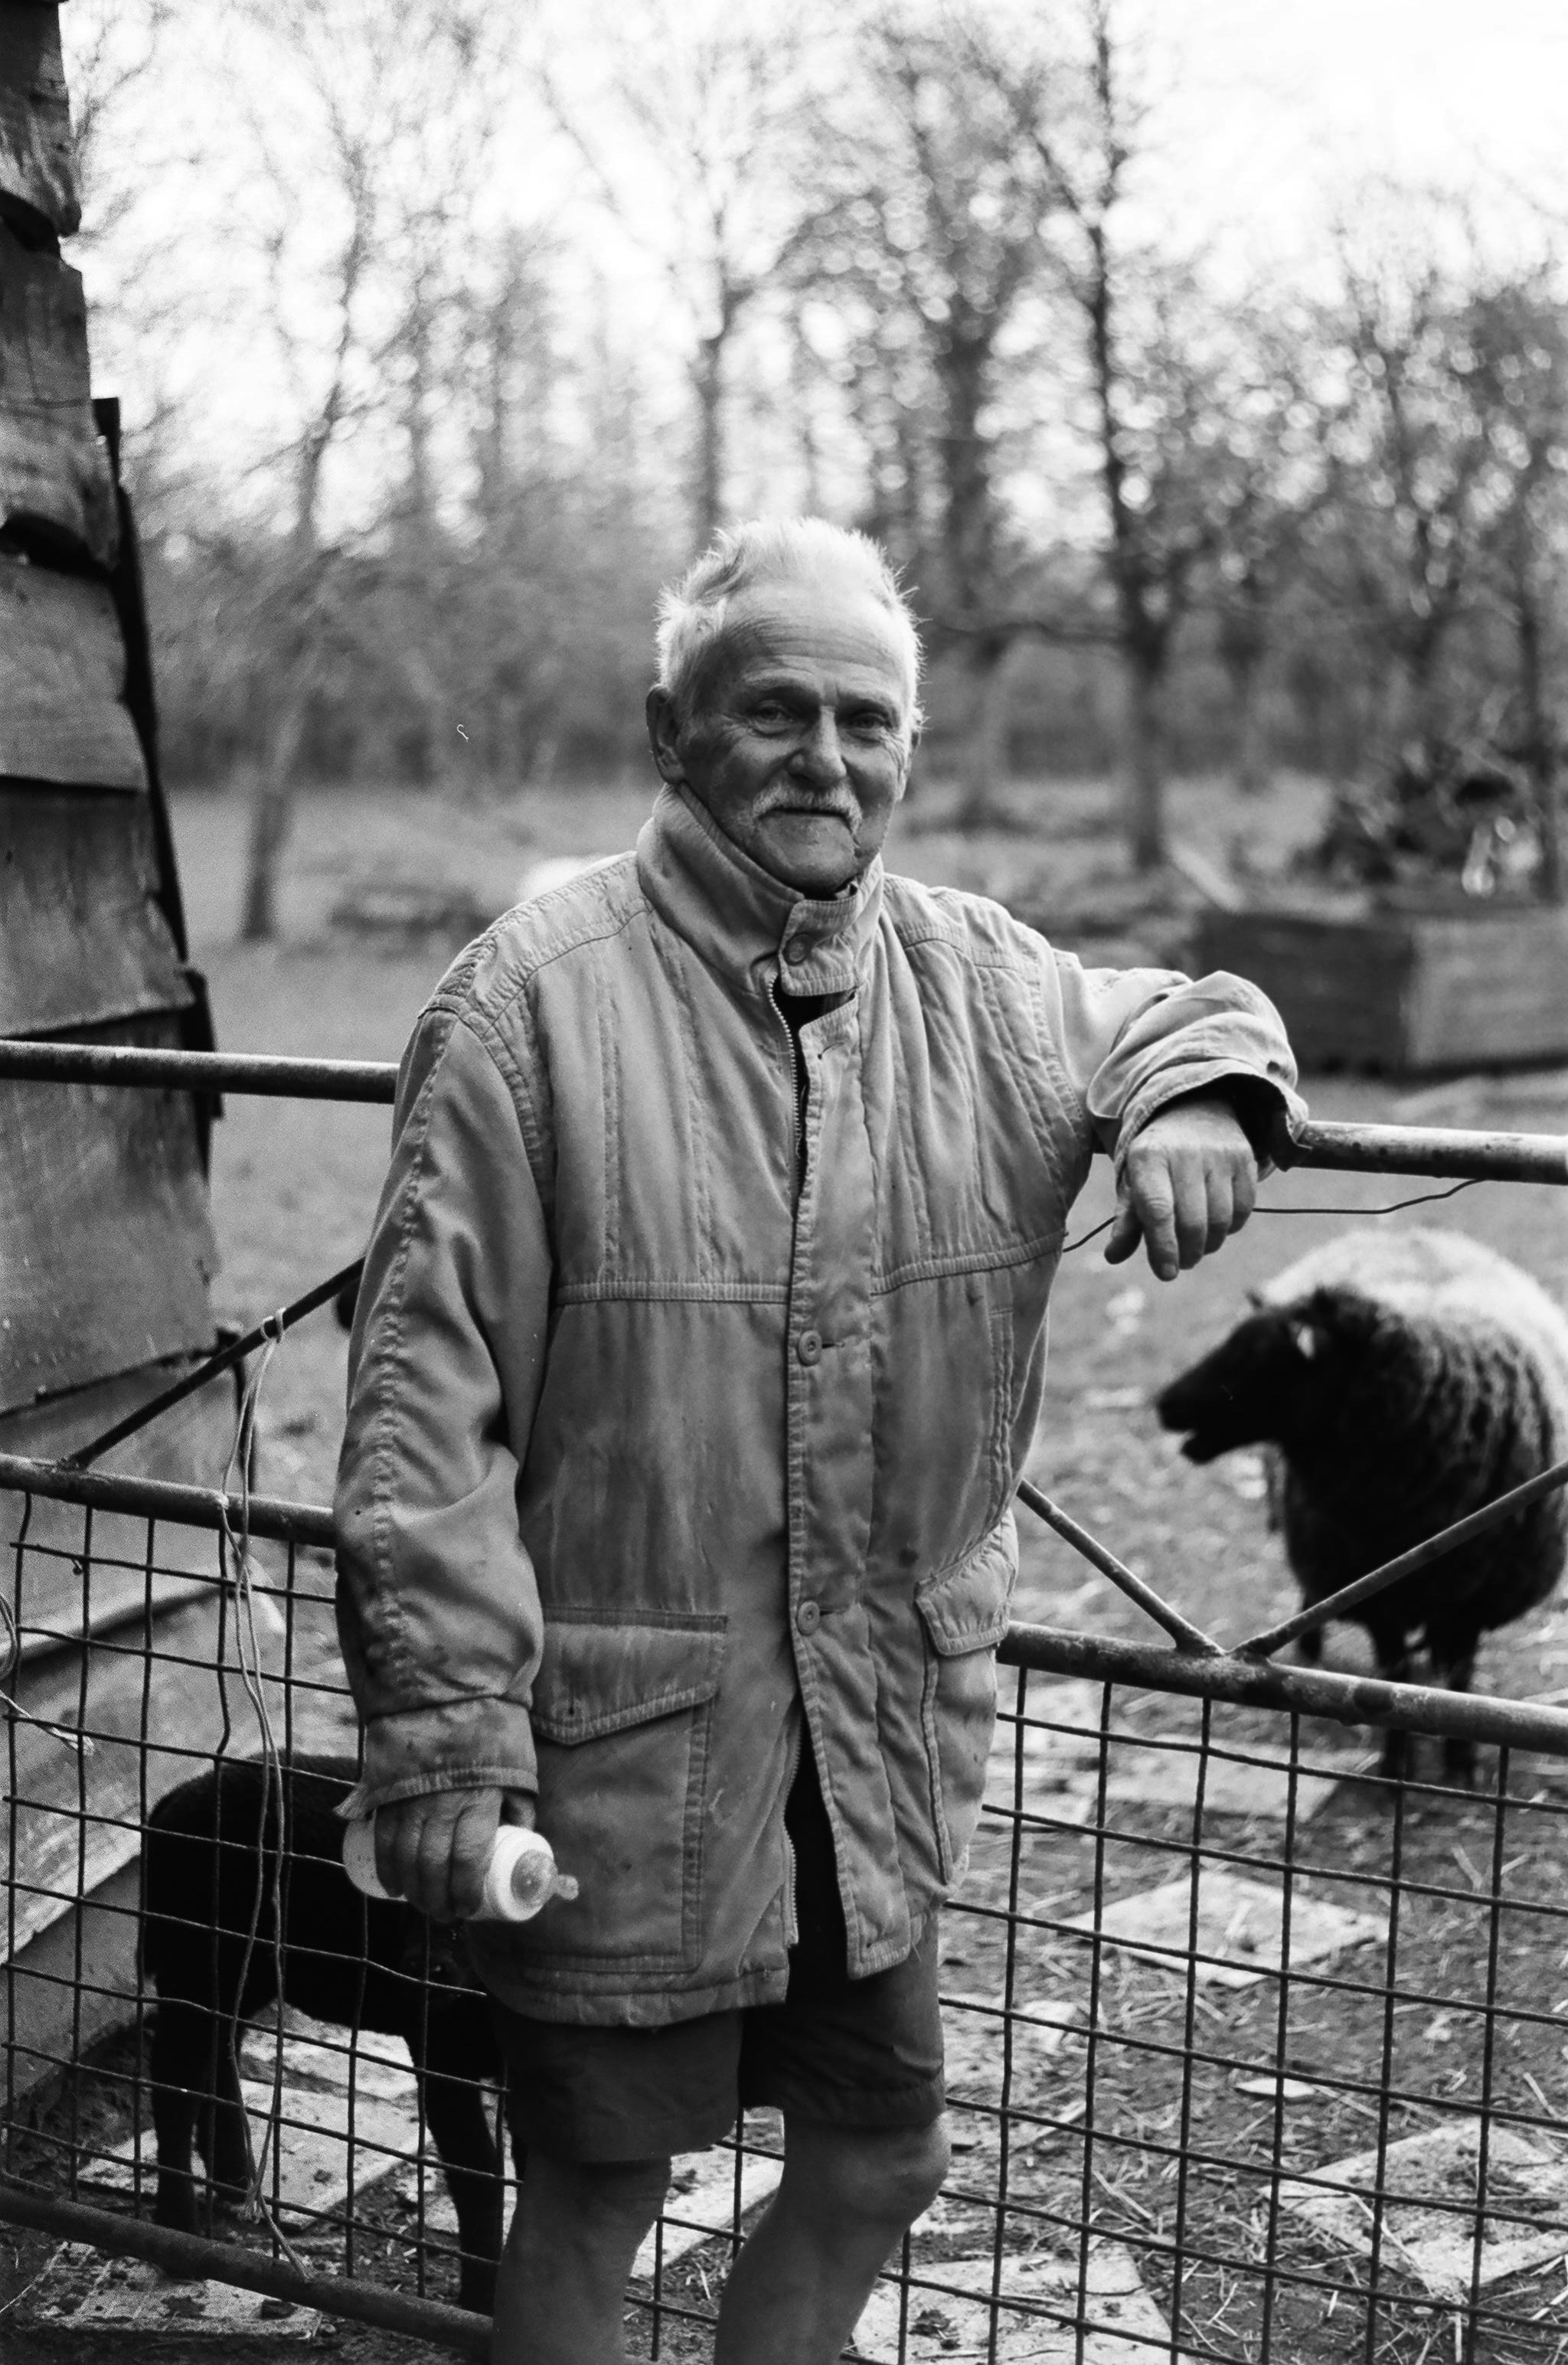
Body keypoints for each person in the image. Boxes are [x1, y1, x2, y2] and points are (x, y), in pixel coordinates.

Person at [334, 517, 1302, 2365]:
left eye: (868, 718)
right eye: (773, 709)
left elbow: (1179, 1006)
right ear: (668, 728)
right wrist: (450, 1741)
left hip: (865, 1734)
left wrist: (1206, 1088)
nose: (826, 757)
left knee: (881, 2150)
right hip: (626, 1736)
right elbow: (421, 1408)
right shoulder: (529, 1010)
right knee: (602, 2185)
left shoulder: (987, 985)